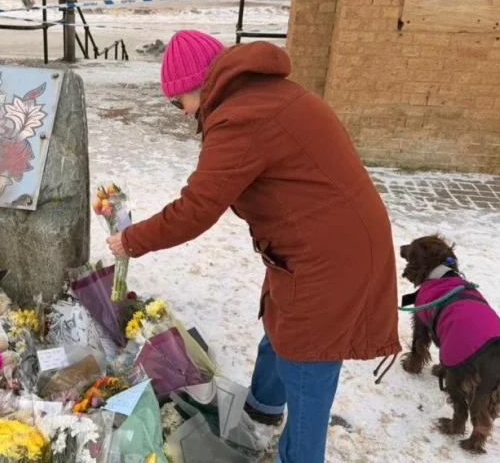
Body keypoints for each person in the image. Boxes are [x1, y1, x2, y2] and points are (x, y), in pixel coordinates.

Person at [106, 30, 401, 462]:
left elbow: (198, 208)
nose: (185, 114)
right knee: (281, 326)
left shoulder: (241, 118)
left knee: (308, 361)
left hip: (329, 257)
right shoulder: (262, 95)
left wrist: (131, 239)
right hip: (316, 244)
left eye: (178, 102)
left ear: (199, 85)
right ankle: (261, 410)